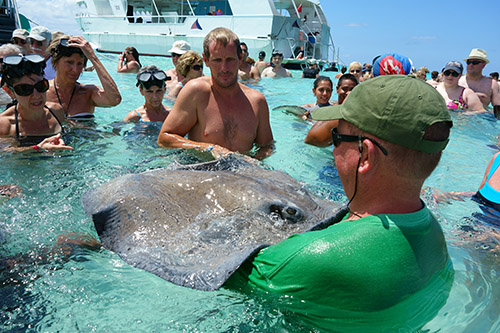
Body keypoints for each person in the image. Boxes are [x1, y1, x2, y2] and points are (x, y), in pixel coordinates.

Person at [227, 75, 453, 330]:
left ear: (365, 155)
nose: (334, 150)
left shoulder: (309, 260)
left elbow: (204, 269)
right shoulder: (434, 234)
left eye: (336, 138)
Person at [157, 27, 274, 160]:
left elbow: (267, 146)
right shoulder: (196, 92)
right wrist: (207, 148)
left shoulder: (257, 101)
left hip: (243, 174)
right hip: (201, 172)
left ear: (240, 58)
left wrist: (252, 162)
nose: (224, 68)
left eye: (230, 59)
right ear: (206, 60)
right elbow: (164, 138)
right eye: (217, 60)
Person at [0, 54, 72, 151]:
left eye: (41, 86)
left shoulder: (56, 111)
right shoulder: (5, 124)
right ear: (10, 92)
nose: (36, 95)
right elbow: (4, 154)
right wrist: (37, 148)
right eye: (24, 89)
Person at [46, 35, 121, 120]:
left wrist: (93, 57)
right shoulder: (41, 91)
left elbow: (114, 99)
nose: (75, 70)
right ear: (55, 62)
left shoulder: (88, 93)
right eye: (69, 62)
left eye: (80, 64)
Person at [304, 73, 358, 146]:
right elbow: (310, 140)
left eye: (352, 90)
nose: (325, 93)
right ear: (337, 89)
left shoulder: (333, 106)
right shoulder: (308, 109)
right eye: (345, 89)